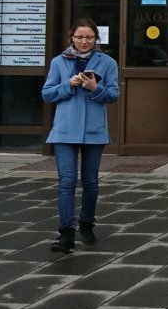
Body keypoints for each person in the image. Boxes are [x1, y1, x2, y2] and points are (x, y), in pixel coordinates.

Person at [41, 19, 119, 253]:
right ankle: (66, 232)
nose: (84, 41)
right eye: (79, 37)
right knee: (66, 181)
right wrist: (68, 85)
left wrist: (95, 88)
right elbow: (47, 94)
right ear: (72, 38)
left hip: (94, 130)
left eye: (89, 37)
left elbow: (113, 95)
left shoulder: (107, 62)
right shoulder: (59, 61)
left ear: (96, 39)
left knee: (90, 181)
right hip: (65, 130)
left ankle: (87, 224)